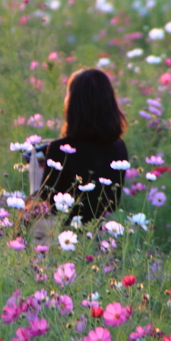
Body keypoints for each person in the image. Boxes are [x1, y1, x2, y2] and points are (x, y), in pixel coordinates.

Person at [36, 68, 128, 227]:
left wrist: (36, 171)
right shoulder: (118, 147)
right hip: (98, 234)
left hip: (63, 234)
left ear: (73, 104)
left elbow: (47, 202)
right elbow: (112, 203)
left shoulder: (59, 149)